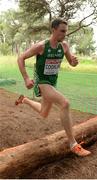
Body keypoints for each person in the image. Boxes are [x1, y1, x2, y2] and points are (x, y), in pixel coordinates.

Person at [15, 19, 91, 156]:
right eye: (62, 31)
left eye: (66, 31)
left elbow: (71, 62)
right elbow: (21, 58)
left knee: (44, 112)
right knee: (65, 103)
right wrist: (26, 78)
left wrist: (74, 62)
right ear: (53, 30)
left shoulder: (65, 46)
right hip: (42, 82)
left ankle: (25, 100)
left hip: (52, 83)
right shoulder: (41, 46)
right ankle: (73, 144)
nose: (65, 34)